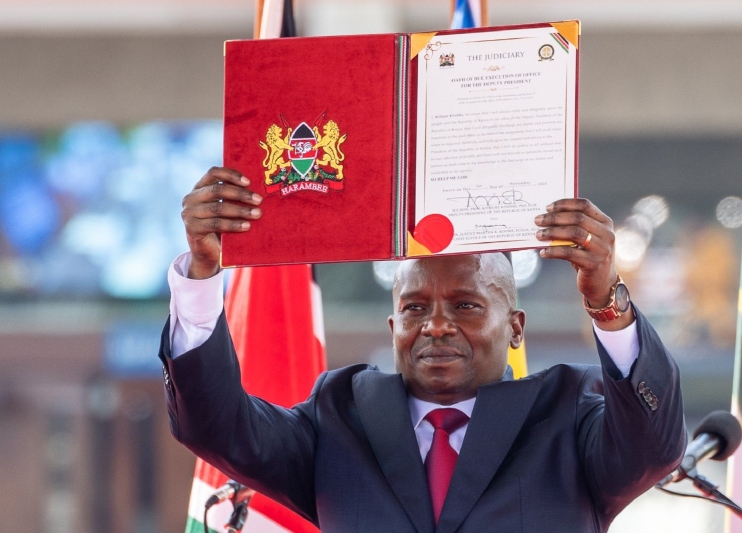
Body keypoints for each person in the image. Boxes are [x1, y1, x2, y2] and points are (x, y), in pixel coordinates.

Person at [159, 167, 686, 532]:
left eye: (465, 306)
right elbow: (215, 424)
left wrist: (605, 298)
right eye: (414, 309)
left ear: (516, 327)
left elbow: (653, 443)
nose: (435, 326)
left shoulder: (568, 415)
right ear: (393, 326)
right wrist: (203, 275)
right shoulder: (338, 416)